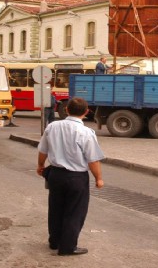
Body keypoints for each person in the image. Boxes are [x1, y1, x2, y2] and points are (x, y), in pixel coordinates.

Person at [37, 97, 105, 256]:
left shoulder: (52, 127)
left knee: (56, 209)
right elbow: (92, 159)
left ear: (66, 110)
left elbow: (43, 150)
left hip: (55, 174)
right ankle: (67, 247)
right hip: (76, 178)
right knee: (75, 212)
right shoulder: (86, 132)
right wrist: (98, 178)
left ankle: (54, 241)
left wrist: (41, 166)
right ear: (86, 112)